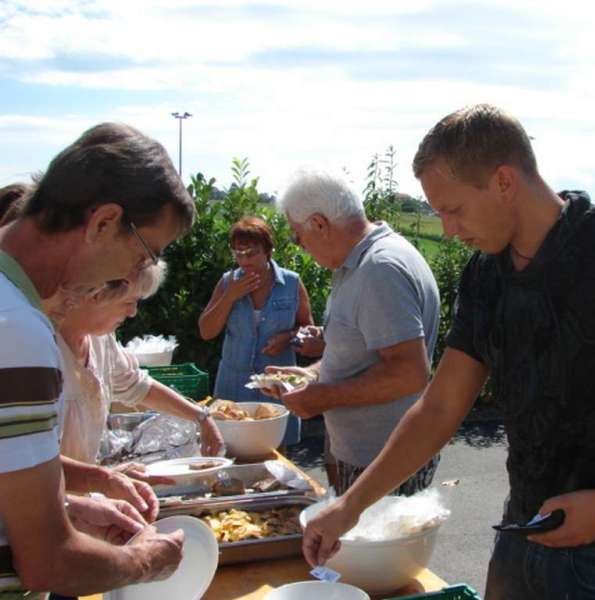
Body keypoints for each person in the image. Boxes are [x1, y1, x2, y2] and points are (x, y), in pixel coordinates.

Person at [302, 105, 595, 599]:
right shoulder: (486, 275)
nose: (448, 230)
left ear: (504, 181)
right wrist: (351, 506)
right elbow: (440, 407)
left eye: (453, 209)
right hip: (523, 533)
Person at [0, 121, 195, 598]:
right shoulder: (18, 332)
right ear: (104, 222)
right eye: (146, 254)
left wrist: (65, 506)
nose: (138, 274)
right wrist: (144, 560)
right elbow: (48, 564)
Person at [271, 170, 441, 496]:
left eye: (297, 236)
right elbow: (356, 351)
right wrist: (309, 377)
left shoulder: (379, 270)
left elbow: (409, 373)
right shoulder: (358, 262)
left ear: (319, 224)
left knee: (378, 548)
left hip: (384, 462)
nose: (299, 246)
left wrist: (323, 397)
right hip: (374, 457)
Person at [54, 261, 224, 472]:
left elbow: (136, 385)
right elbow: (32, 464)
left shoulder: (101, 340)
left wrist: (200, 417)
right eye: (129, 301)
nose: (133, 312)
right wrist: (107, 478)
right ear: (96, 295)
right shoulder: (42, 346)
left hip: (82, 498)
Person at [198, 216, 314, 446]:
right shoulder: (227, 283)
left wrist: (288, 338)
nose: (244, 260)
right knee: (232, 448)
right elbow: (206, 331)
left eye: (251, 253)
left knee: (278, 454)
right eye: (238, 254)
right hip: (233, 384)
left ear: (267, 251)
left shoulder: (291, 283)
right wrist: (230, 296)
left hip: (276, 387)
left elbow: (307, 328)